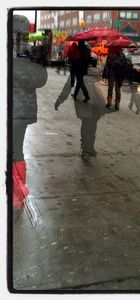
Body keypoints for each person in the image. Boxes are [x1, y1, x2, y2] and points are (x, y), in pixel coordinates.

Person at [12, 15, 48, 220]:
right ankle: (17, 196)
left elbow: (40, 79)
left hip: (14, 110)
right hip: (23, 111)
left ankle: (16, 194)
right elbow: (41, 79)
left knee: (13, 152)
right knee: (17, 152)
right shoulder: (31, 51)